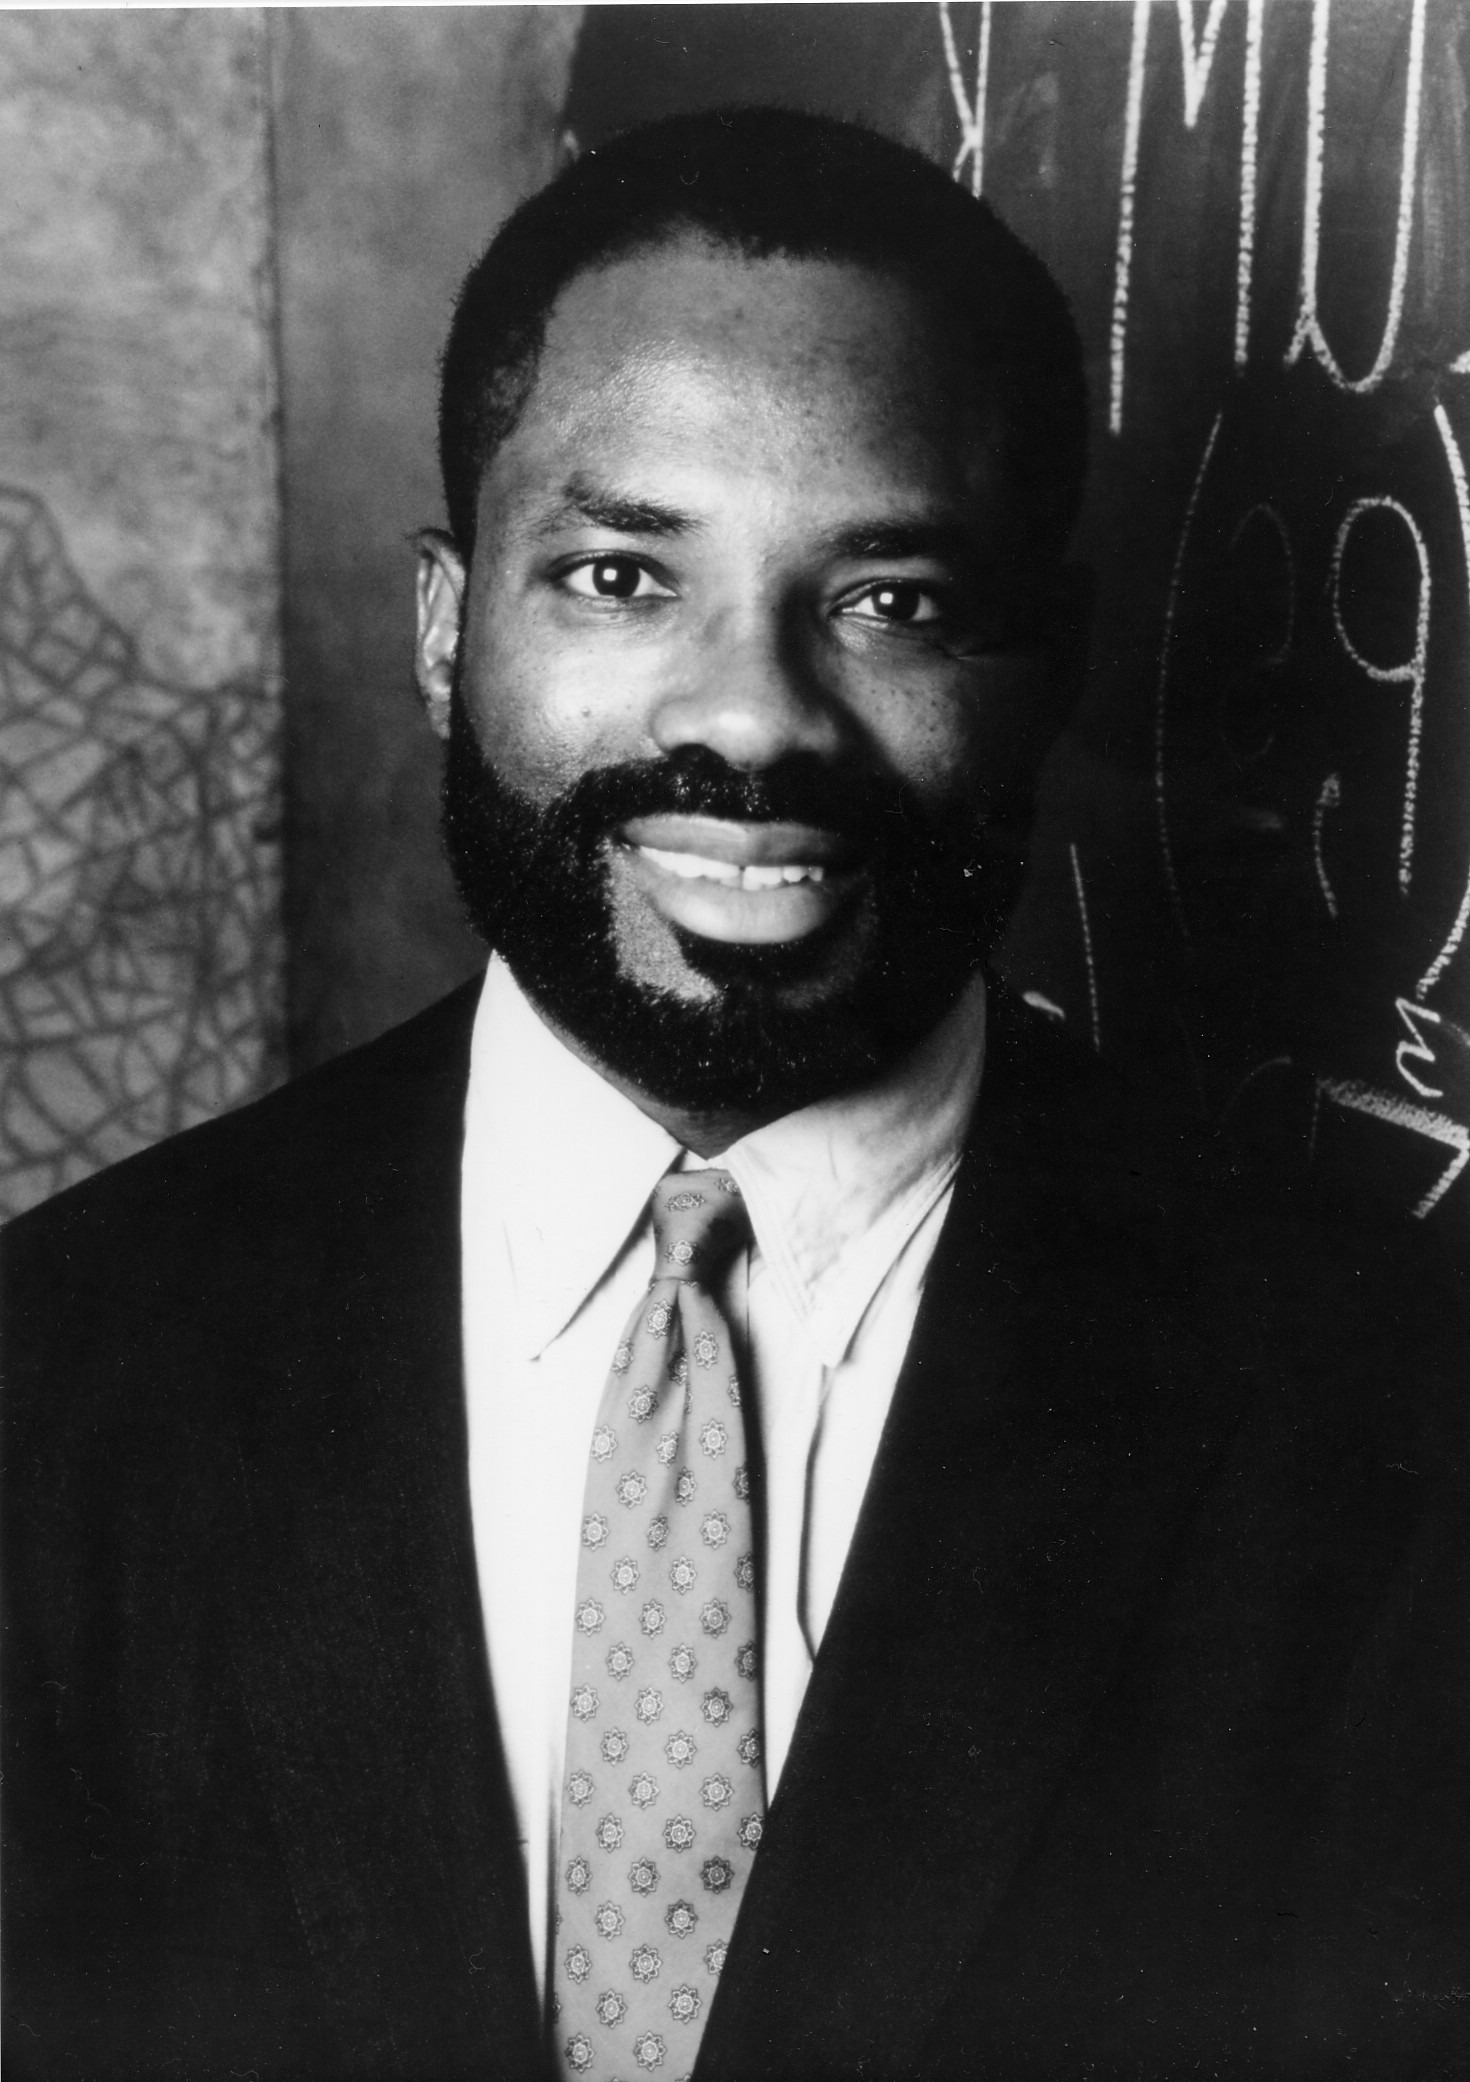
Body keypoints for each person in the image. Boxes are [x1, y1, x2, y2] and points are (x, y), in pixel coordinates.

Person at [2, 108, 1465, 2082]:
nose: (752, 716)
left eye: (891, 600)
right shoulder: (58, 1374)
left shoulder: (1383, 1411)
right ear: (445, 625)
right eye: (620, 575)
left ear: (1048, 663)